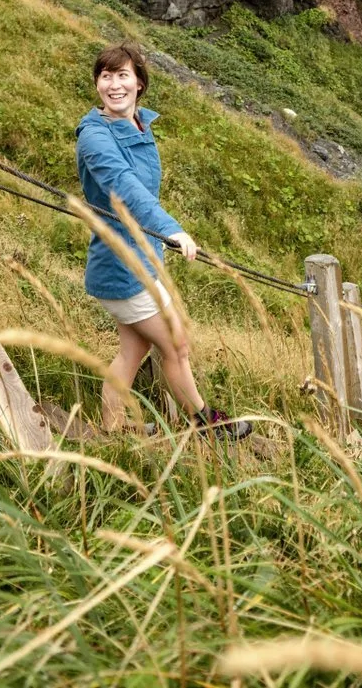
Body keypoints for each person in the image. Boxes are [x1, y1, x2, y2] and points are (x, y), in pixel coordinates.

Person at [76, 43, 249, 437]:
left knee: (133, 352)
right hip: (122, 267)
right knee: (176, 345)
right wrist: (171, 228)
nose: (114, 85)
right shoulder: (94, 138)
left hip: (143, 259)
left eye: (123, 76)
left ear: (139, 83)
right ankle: (204, 422)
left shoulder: (138, 123)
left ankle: (114, 430)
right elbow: (124, 187)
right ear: (97, 83)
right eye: (106, 76)